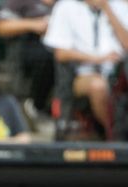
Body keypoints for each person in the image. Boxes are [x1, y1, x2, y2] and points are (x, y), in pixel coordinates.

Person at [42, 0, 128, 134]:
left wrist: (107, 9)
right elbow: (61, 54)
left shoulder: (120, 6)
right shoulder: (66, 6)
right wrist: (98, 59)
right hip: (80, 75)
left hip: (118, 73)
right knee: (98, 85)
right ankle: (116, 136)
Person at [0, 0, 56, 117]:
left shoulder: (69, 3)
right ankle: (35, 106)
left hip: (65, 50)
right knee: (46, 57)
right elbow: (1, 27)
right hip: (30, 48)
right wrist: (33, 24)